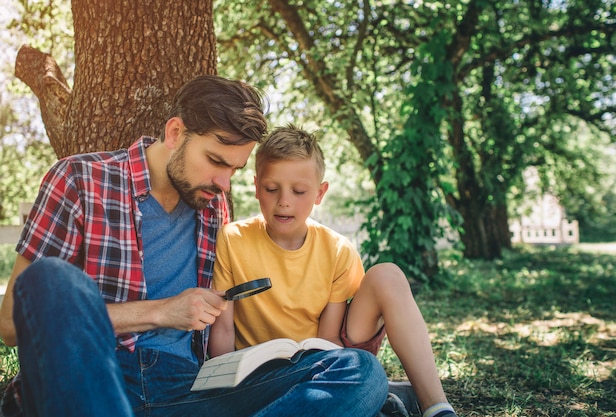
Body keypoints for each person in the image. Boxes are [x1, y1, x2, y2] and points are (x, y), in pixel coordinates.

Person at [0, 76, 389, 417]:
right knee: (52, 279)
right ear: (174, 133)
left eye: (234, 169)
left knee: (360, 373)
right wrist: (160, 312)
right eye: (215, 161)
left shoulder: (211, 206)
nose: (224, 183)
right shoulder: (79, 179)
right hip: (96, 375)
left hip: (189, 390)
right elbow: (12, 324)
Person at [209, 125, 459, 417]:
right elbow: (224, 328)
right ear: (255, 187)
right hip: (256, 377)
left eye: (299, 191)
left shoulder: (337, 250)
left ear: (320, 192)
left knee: (388, 275)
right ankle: (369, 404)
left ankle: (436, 408)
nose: (284, 201)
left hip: (318, 365)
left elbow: (328, 339)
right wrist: (220, 388)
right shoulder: (232, 239)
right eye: (271, 189)